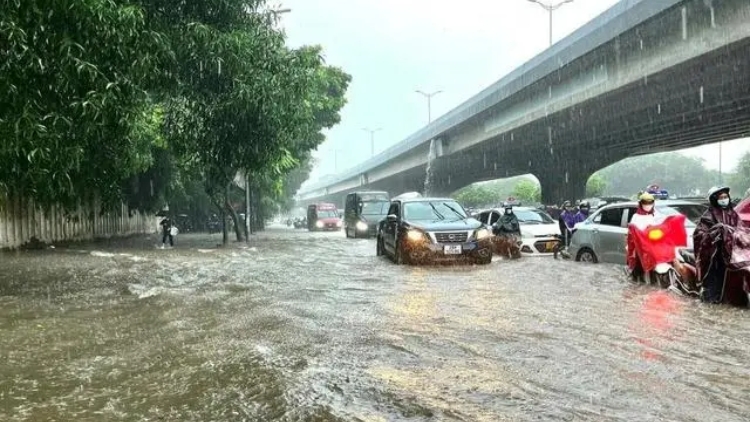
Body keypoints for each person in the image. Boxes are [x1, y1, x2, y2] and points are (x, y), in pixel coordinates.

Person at [693, 186, 742, 303]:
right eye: (721, 197)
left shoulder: (734, 213)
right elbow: (699, 234)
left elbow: (741, 229)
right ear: (715, 199)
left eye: (726, 197)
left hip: (732, 254)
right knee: (714, 284)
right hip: (715, 257)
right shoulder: (708, 215)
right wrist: (715, 233)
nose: (724, 199)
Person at [627, 193, 660, 280]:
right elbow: (631, 233)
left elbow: (660, 229)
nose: (648, 205)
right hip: (640, 248)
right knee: (638, 269)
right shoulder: (636, 217)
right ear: (641, 204)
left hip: (653, 248)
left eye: (650, 203)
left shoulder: (655, 215)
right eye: (645, 203)